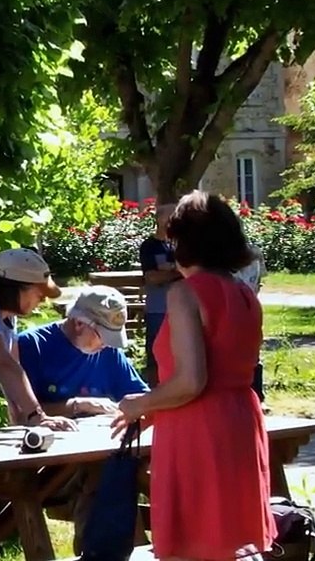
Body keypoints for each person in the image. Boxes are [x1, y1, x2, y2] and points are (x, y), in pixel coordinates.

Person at [113, 191, 274, 561]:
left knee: (191, 547)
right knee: (233, 544)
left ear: (182, 242)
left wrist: (140, 404)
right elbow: (227, 368)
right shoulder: (244, 294)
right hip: (241, 421)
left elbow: (191, 381)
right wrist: (153, 411)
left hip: (196, 428)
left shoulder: (185, 293)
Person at [18, 286, 149, 553]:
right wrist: (76, 405)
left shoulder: (109, 351)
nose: (106, 345)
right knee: (104, 473)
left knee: (135, 469)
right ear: (79, 323)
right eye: (102, 336)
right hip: (48, 464)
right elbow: (22, 413)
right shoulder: (33, 345)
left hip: (104, 455)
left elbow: (142, 396)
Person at [0, 249, 74, 435]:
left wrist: (21, 417)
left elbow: (13, 369)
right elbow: (3, 364)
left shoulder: (5, 313)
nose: (42, 302)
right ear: (16, 288)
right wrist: (38, 416)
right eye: (39, 295)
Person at [139, 204, 180, 378]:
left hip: (180, 309)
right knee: (155, 353)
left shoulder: (180, 246)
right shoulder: (149, 246)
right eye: (171, 215)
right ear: (159, 219)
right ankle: (153, 389)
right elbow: (152, 278)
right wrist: (177, 271)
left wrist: (168, 271)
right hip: (158, 309)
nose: (176, 219)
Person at [236, 244, 267, 403]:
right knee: (252, 351)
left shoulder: (226, 260)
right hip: (250, 305)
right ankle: (256, 394)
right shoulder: (255, 254)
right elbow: (259, 282)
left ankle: (255, 394)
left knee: (249, 352)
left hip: (239, 306)